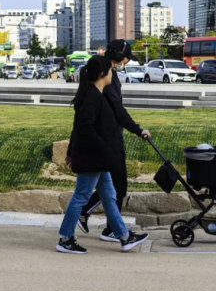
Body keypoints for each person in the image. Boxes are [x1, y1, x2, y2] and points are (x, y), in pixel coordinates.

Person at [57, 55, 149, 254]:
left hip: (99, 158)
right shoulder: (92, 97)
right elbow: (84, 129)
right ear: (102, 74)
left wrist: (136, 131)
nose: (112, 72)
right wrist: (105, 149)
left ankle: (124, 236)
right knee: (81, 196)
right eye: (110, 69)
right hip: (93, 158)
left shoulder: (98, 94)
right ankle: (65, 238)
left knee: (109, 195)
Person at [76, 40, 151, 242]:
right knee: (115, 186)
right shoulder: (105, 76)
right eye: (126, 57)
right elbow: (117, 110)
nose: (126, 61)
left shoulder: (110, 73)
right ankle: (107, 227)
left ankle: (105, 225)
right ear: (118, 57)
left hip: (110, 135)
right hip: (108, 139)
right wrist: (138, 130)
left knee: (110, 186)